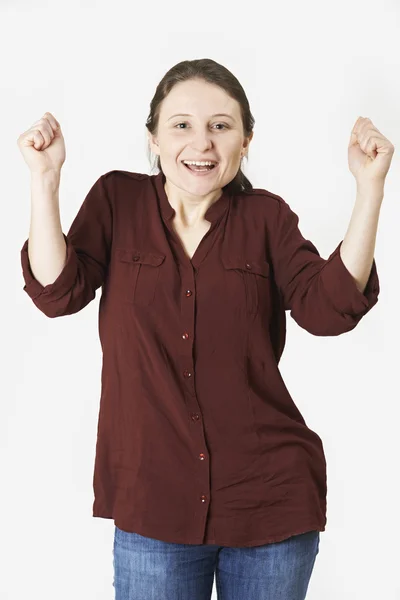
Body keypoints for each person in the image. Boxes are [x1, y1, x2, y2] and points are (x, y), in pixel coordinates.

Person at [18, 58, 394, 600]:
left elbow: (328, 309)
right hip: (154, 508)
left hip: (269, 504)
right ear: (153, 138)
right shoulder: (117, 201)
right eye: (182, 125)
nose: (202, 143)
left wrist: (370, 190)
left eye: (221, 125)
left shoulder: (267, 217)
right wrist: (45, 179)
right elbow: (57, 292)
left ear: (246, 141)